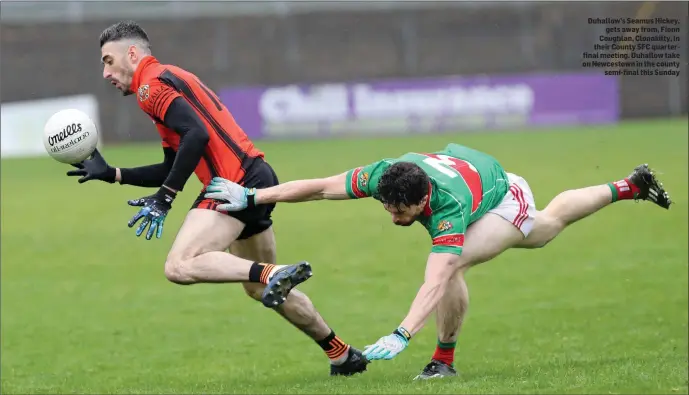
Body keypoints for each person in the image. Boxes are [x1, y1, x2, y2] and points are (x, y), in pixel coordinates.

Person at [202, 142, 672, 380]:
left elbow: (435, 276)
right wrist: (253, 194)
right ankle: (630, 185)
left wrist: (402, 333)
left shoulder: (447, 208)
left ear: (423, 201)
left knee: (466, 259)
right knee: (544, 229)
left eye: (400, 212)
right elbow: (321, 187)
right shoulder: (387, 175)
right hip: (470, 168)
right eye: (386, 207)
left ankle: (442, 361)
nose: (392, 217)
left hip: (501, 196)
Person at [65, 20, 369, 376]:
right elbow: (172, 162)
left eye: (107, 60)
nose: (105, 73)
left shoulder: (150, 87)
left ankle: (275, 272)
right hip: (256, 178)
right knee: (258, 288)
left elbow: (195, 136)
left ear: (131, 54)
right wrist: (114, 174)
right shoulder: (168, 77)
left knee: (179, 266)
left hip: (231, 184)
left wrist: (165, 198)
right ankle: (341, 354)